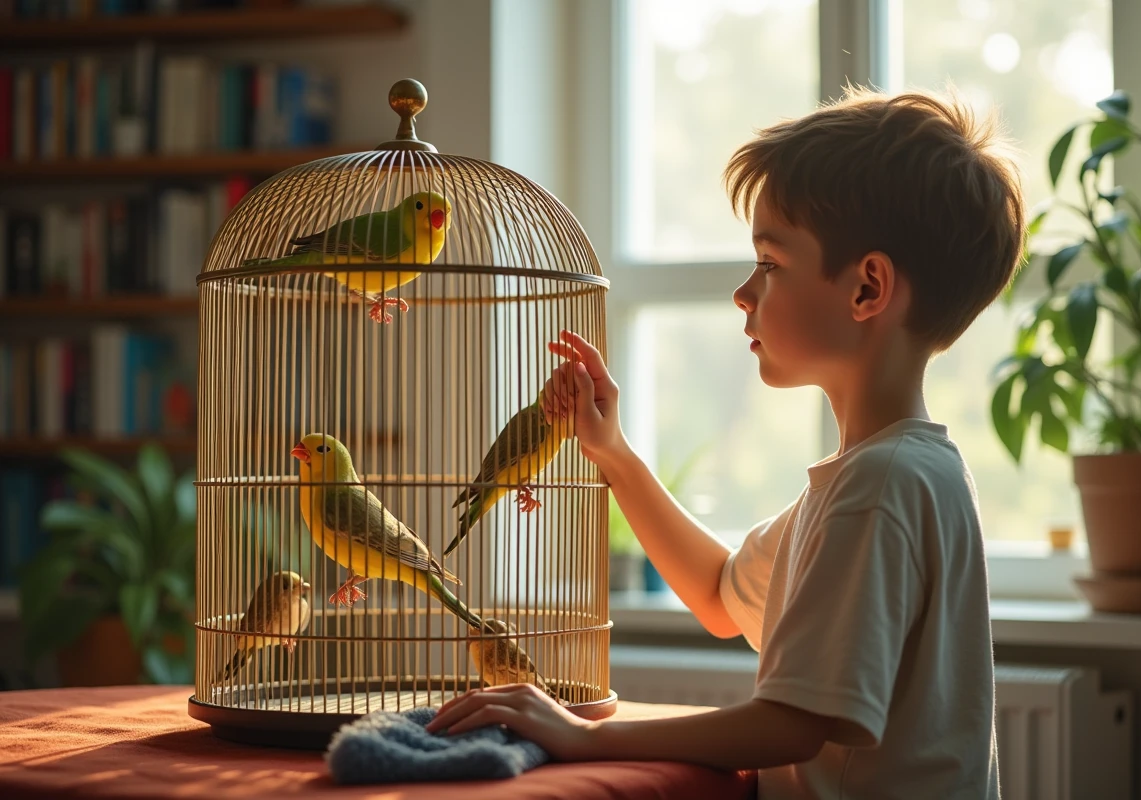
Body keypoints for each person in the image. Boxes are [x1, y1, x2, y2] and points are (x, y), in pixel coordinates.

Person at [428, 85, 1024, 800]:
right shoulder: (891, 476)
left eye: (770, 264)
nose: (745, 293)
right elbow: (717, 593)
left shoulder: (879, 488)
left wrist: (583, 734)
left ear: (867, 288)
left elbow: (792, 725)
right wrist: (611, 451)